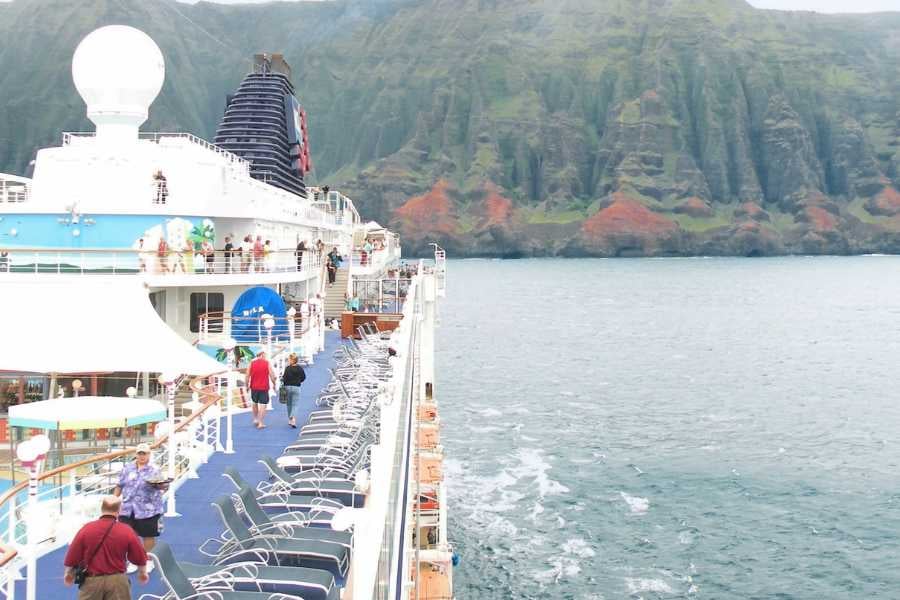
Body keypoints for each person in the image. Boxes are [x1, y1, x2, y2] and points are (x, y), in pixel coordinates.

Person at [63, 495, 149, 599]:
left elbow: (73, 554)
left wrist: (68, 573)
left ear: (102, 509)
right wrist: (142, 572)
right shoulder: (126, 530)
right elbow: (139, 555)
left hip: (92, 581)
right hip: (117, 581)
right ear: (119, 510)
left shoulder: (87, 529)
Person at [114, 444, 167, 569]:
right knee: (128, 536)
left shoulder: (155, 470)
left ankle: (147, 560)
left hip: (148, 509)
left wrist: (160, 486)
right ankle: (134, 559)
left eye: (145, 454)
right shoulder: (127, 468)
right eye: (140, 453)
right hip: (127, 508)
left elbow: (162, 487)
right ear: (136, 454)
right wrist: (114, 500)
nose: (142, 456)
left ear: (149, 455)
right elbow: (119, 485)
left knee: (148, 535)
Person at [246, 348, 277, 429]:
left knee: (254, 402)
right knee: (263, 404)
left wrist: (246, 385)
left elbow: (247, 375)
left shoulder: (251, 363)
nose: (266, 356)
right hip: (264, 387)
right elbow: (272, 375)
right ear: (262, 354)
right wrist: (274, 384)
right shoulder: (267, 363)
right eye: (265, 355)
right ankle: (260, 422)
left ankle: (256, 419)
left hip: (254, 387)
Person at [282, 353, 306, 428]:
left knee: (289, 404)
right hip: (296, 387)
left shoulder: (287, 368)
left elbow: (284, 378)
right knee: (295, 404)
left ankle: (290, 418)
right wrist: (299, 381)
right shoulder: (300, 368)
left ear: (291, 360)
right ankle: (293, 419)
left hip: (288, 387)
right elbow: (303, 377)